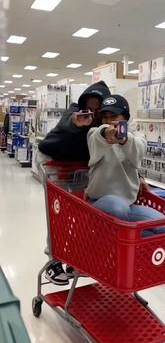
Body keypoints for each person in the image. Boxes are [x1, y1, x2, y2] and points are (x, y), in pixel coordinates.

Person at [37, 81, 111, 285]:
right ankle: (53, 260)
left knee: (82, 211)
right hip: (53, 160)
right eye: (90, 107)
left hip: (78, 166)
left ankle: (74, 257)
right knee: (59, 211)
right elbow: (66, 122)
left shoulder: (105, 123)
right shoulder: (74, 113)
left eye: (98, 108)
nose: (93, 112)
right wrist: (75, 122)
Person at [86, 95, 165, 235]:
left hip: (128, 206)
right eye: (105, 117)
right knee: (118, 209)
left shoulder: (137, 138)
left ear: (125, 118)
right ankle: (122, 235)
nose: (109, 121)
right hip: (98, 203)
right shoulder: (94, 134)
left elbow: (137, 150)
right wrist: (105, 132)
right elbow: (97, 136)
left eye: (114, 116)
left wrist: (124, 140)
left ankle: (123, 241)